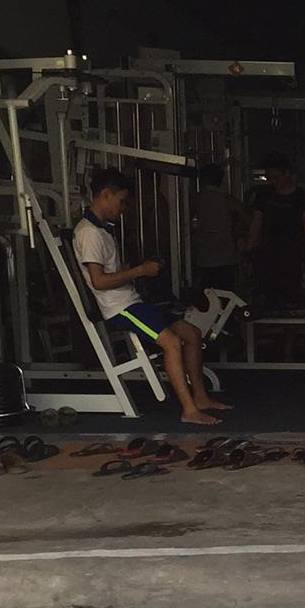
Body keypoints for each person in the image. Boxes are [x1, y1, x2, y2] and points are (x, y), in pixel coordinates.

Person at [73, 167, 229, 427]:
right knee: (172, 343)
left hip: (132, 300)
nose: (123, 208)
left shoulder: (102, 230)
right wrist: (140, 271)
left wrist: (141, 269)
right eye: (121, 201)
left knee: (191, 333)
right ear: (105, 195)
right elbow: (98, 282)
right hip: (119, 308)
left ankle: (201, 398)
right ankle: (189, 410)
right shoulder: (89, 233)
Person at [246, 153, 305, 308]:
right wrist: (249, 250)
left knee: (290, 294)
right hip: (267, 252)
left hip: (293, 254)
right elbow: (256, 224)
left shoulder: (300, 197)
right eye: (269, 178)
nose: (273, 182)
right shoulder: (264, 196)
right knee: (267, 294)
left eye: (276, 177)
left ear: (287, 174)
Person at [191, 162, 241, 296]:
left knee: (206, 295)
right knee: (227, 295)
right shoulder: (228, 200)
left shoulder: (196, 200)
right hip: (227, 257)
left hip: (205, 257)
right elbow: (247, 218)